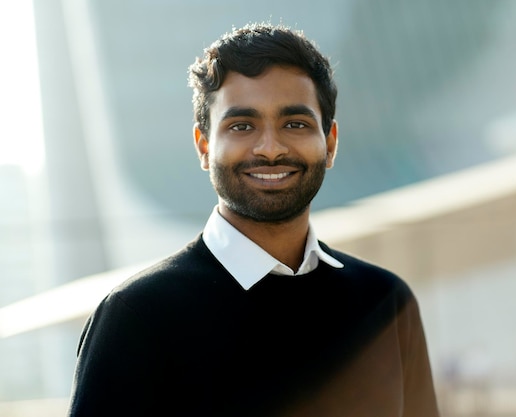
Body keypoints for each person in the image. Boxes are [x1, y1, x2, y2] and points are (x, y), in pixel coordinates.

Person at [67, 23, 440, 417]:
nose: (270, 149)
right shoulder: (136, 318)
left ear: (329, 143)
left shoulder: (387, 303)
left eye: (294, 124)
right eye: (242, 126)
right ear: (204, 146)